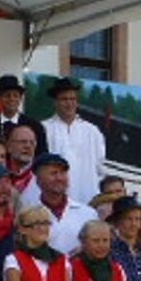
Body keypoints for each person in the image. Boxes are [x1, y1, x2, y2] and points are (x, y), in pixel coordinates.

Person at [43, 76, 105, 205]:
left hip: (87, 199)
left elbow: (100, 165)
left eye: (72, 99)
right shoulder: (44, 128)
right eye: (64, 99)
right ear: (55, 102)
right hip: (54, 200)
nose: (69, 103)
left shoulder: (92, 131)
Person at [29, 153, 96, 254]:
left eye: (63, 173)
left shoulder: (88, 214)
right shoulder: (28, 214)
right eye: (53, 173)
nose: (59, 178)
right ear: (38, 180)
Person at [0, 73, 48, 155]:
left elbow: (41, 155)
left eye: (15, 95)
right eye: (7, 95)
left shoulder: (34, 126)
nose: (11, 99)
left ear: (20, 98)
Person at [6, 124, 39, 200]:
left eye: (32, 143)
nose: (28, 146)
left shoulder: (41, 178)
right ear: (9, 146)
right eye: (23, 142)